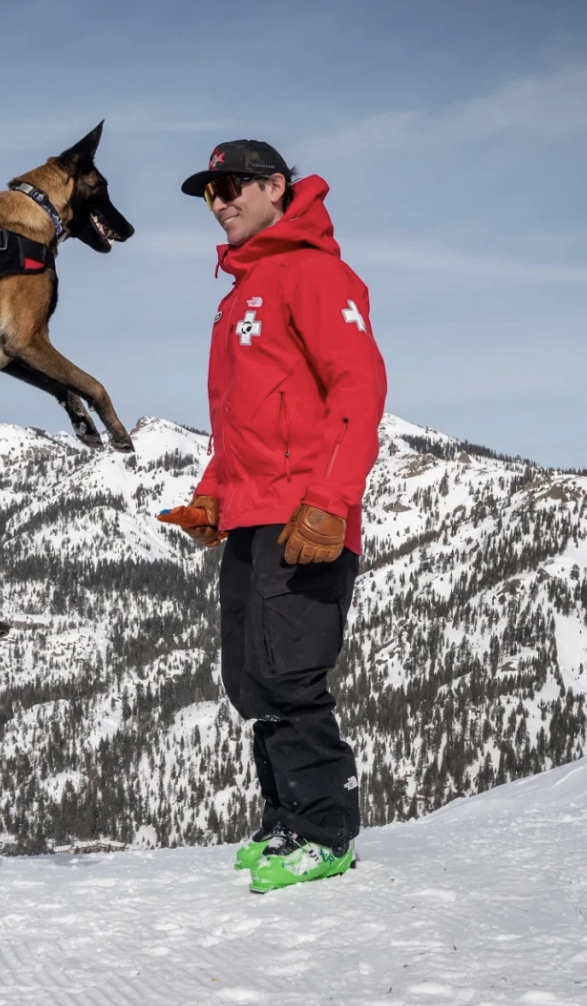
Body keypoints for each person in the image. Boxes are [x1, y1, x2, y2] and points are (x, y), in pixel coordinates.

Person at [159, 140, 387, 893]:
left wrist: (329, 502)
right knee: (252, 679)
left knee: (293, 676)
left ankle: (327, 833)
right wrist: (212, 495)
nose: (218, 201)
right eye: (208, 192)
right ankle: (285, 818)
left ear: (275, 187)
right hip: (255, 516)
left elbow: (357, 390)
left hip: (305, 516)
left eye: (230, 187)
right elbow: (245, 421)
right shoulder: (244, 291)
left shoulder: (317, 273)